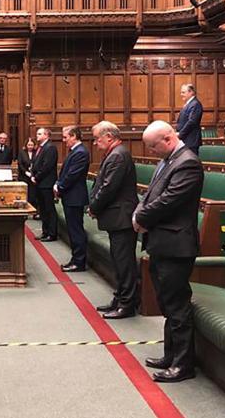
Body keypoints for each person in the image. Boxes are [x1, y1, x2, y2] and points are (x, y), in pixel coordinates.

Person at [134, 121, 203, 383]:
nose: (150, 151)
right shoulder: (169, 160)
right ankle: (170, 354)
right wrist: (140, 213)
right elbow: (152, 194)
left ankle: (183, 365)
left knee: (177, 305)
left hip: (176, 245)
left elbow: (169, 201)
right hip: (162, 242)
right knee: (165, 301)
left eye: (152, 146)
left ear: (167, 139)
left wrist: (140, 218)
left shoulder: (188, 162)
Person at [89, 121, 139, 319]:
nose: (95, 143)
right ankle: (120, 298)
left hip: (122, 218)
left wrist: (94, 207)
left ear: (109, 137)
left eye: (97, 138)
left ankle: (127, 304)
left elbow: (109, 188)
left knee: (124, 262)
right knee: (119, 261)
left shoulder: (118, 156)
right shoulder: (115, 153)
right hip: (116, 217)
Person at [55, 126, 90, 272]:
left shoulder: (81, 152)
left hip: (75, 197)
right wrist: (58, 183)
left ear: (74, 136)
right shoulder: (75, 151)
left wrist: (59, 187)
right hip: (70, 196)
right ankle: (76, 259)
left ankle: (79, 262)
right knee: (73, 229)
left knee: (76, 231)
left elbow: (72, 175)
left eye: (66, 137)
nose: (64, 141)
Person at [31, 127, 59, 241]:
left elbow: (47, 166)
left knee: (49, 209)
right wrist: (33, 175)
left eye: (39, 134)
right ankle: (45, 231)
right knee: (42, 209)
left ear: (46, 135)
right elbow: (35, 163)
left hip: (46, 183)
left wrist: (36, 177)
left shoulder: (50, 147)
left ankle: (52, 234)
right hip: (40, 183)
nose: (37, 136)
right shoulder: (41, 147)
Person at [176, 84, 203, 154]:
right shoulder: (189, 104)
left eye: (183, 92)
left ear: (191, 92)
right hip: (186, 140)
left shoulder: (195, 104)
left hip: (191, 141)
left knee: (190, 163)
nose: (181, 94)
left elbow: (192, 122)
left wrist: (180, 134)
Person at [17, 137, 38, 209]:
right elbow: (20, 164)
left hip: (33, 177)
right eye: (29, 145)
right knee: (24, 194)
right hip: (23, 176)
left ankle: (33, 210)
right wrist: (26, 172)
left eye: (31, 145)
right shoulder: (22, 152)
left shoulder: (36, 152)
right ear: (26, 145)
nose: (30, 146)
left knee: (33, 195)